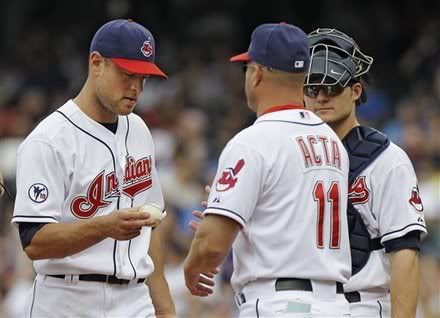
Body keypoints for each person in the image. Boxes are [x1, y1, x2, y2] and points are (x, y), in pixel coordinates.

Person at [183, 22, 352, 317]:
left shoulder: (252, 141)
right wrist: (238, 207)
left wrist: (192, 267)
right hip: (336, 305)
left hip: (281, 304)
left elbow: (211, 245)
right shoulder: (332, 141)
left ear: (257, 73)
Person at [11, 19, 176, 317]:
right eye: (128, 74)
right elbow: (34, 241)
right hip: (67, 298)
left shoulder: (139, 129)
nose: (137, 87)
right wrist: (104, 226)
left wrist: (165, 309)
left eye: (144, 78)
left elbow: (150, 231)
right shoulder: (49, 140)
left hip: (135, 299)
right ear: (97, 63)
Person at [303, 28, 428, 318]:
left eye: (331, 86)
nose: (321, 97)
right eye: (312, 88)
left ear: (355, 90)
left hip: (361, 306)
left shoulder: (387, 160)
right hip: (300, 306)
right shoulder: (287, 156)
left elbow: (405, 255)